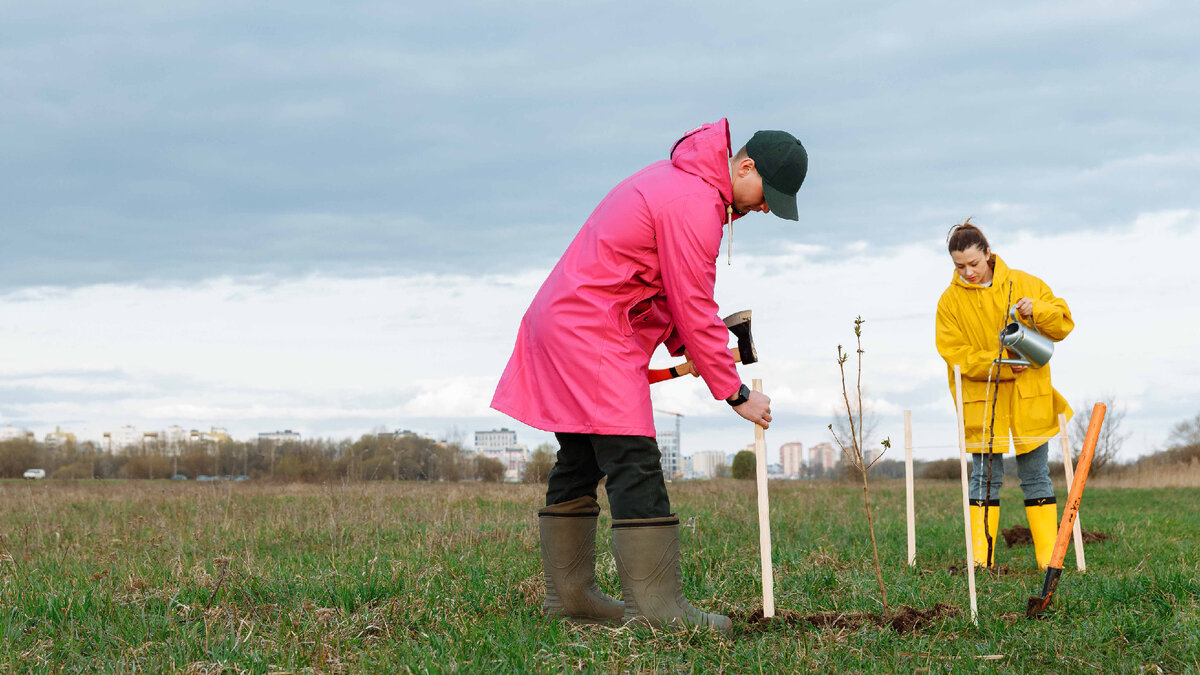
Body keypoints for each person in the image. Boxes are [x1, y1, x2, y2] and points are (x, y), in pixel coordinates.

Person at [492, 119, 807, 631]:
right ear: (744, 166)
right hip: (593, 332)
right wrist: (735, 391)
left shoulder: (678, 182)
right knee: (633, 460)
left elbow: (667, 300)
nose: (766, 207)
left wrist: (696, 349)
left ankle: (571, 600)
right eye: (767, 194)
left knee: (579, 458)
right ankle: (658, 612)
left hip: (567, 322)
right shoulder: (694, 204)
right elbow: (692, 303)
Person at [935, 219, 1074, 570]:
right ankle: (981, 561)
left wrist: (1036, 311)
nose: (967, 272)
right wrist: (998, 366)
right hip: (981, 399)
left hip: (1030, 396)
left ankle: (1048, 560)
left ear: (988, 254)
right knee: (984, 477)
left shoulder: (1025, 283)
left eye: (973, 263)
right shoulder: (949, 302)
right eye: (959, 266)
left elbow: (1062, 324)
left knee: (1036, 474)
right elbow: (954, 353)